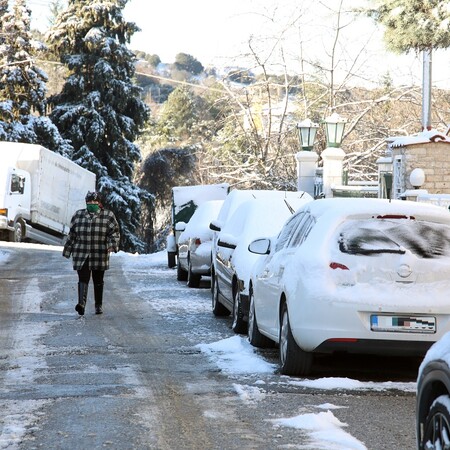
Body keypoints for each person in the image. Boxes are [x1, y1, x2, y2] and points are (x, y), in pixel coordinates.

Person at [63, 191, 120, 315]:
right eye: (89, 202)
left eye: (95, 202)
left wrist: (112, 245)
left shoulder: (108, 215)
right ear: (86, 202)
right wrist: (68, 250)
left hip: (99, 253)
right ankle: (81, 304)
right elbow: (72, 234)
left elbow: (114, 233)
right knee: (83, 277)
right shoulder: (78, 215)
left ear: (99, 203)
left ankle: (98, 305)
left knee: (98, 279)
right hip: (81, 253)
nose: (92, 204)